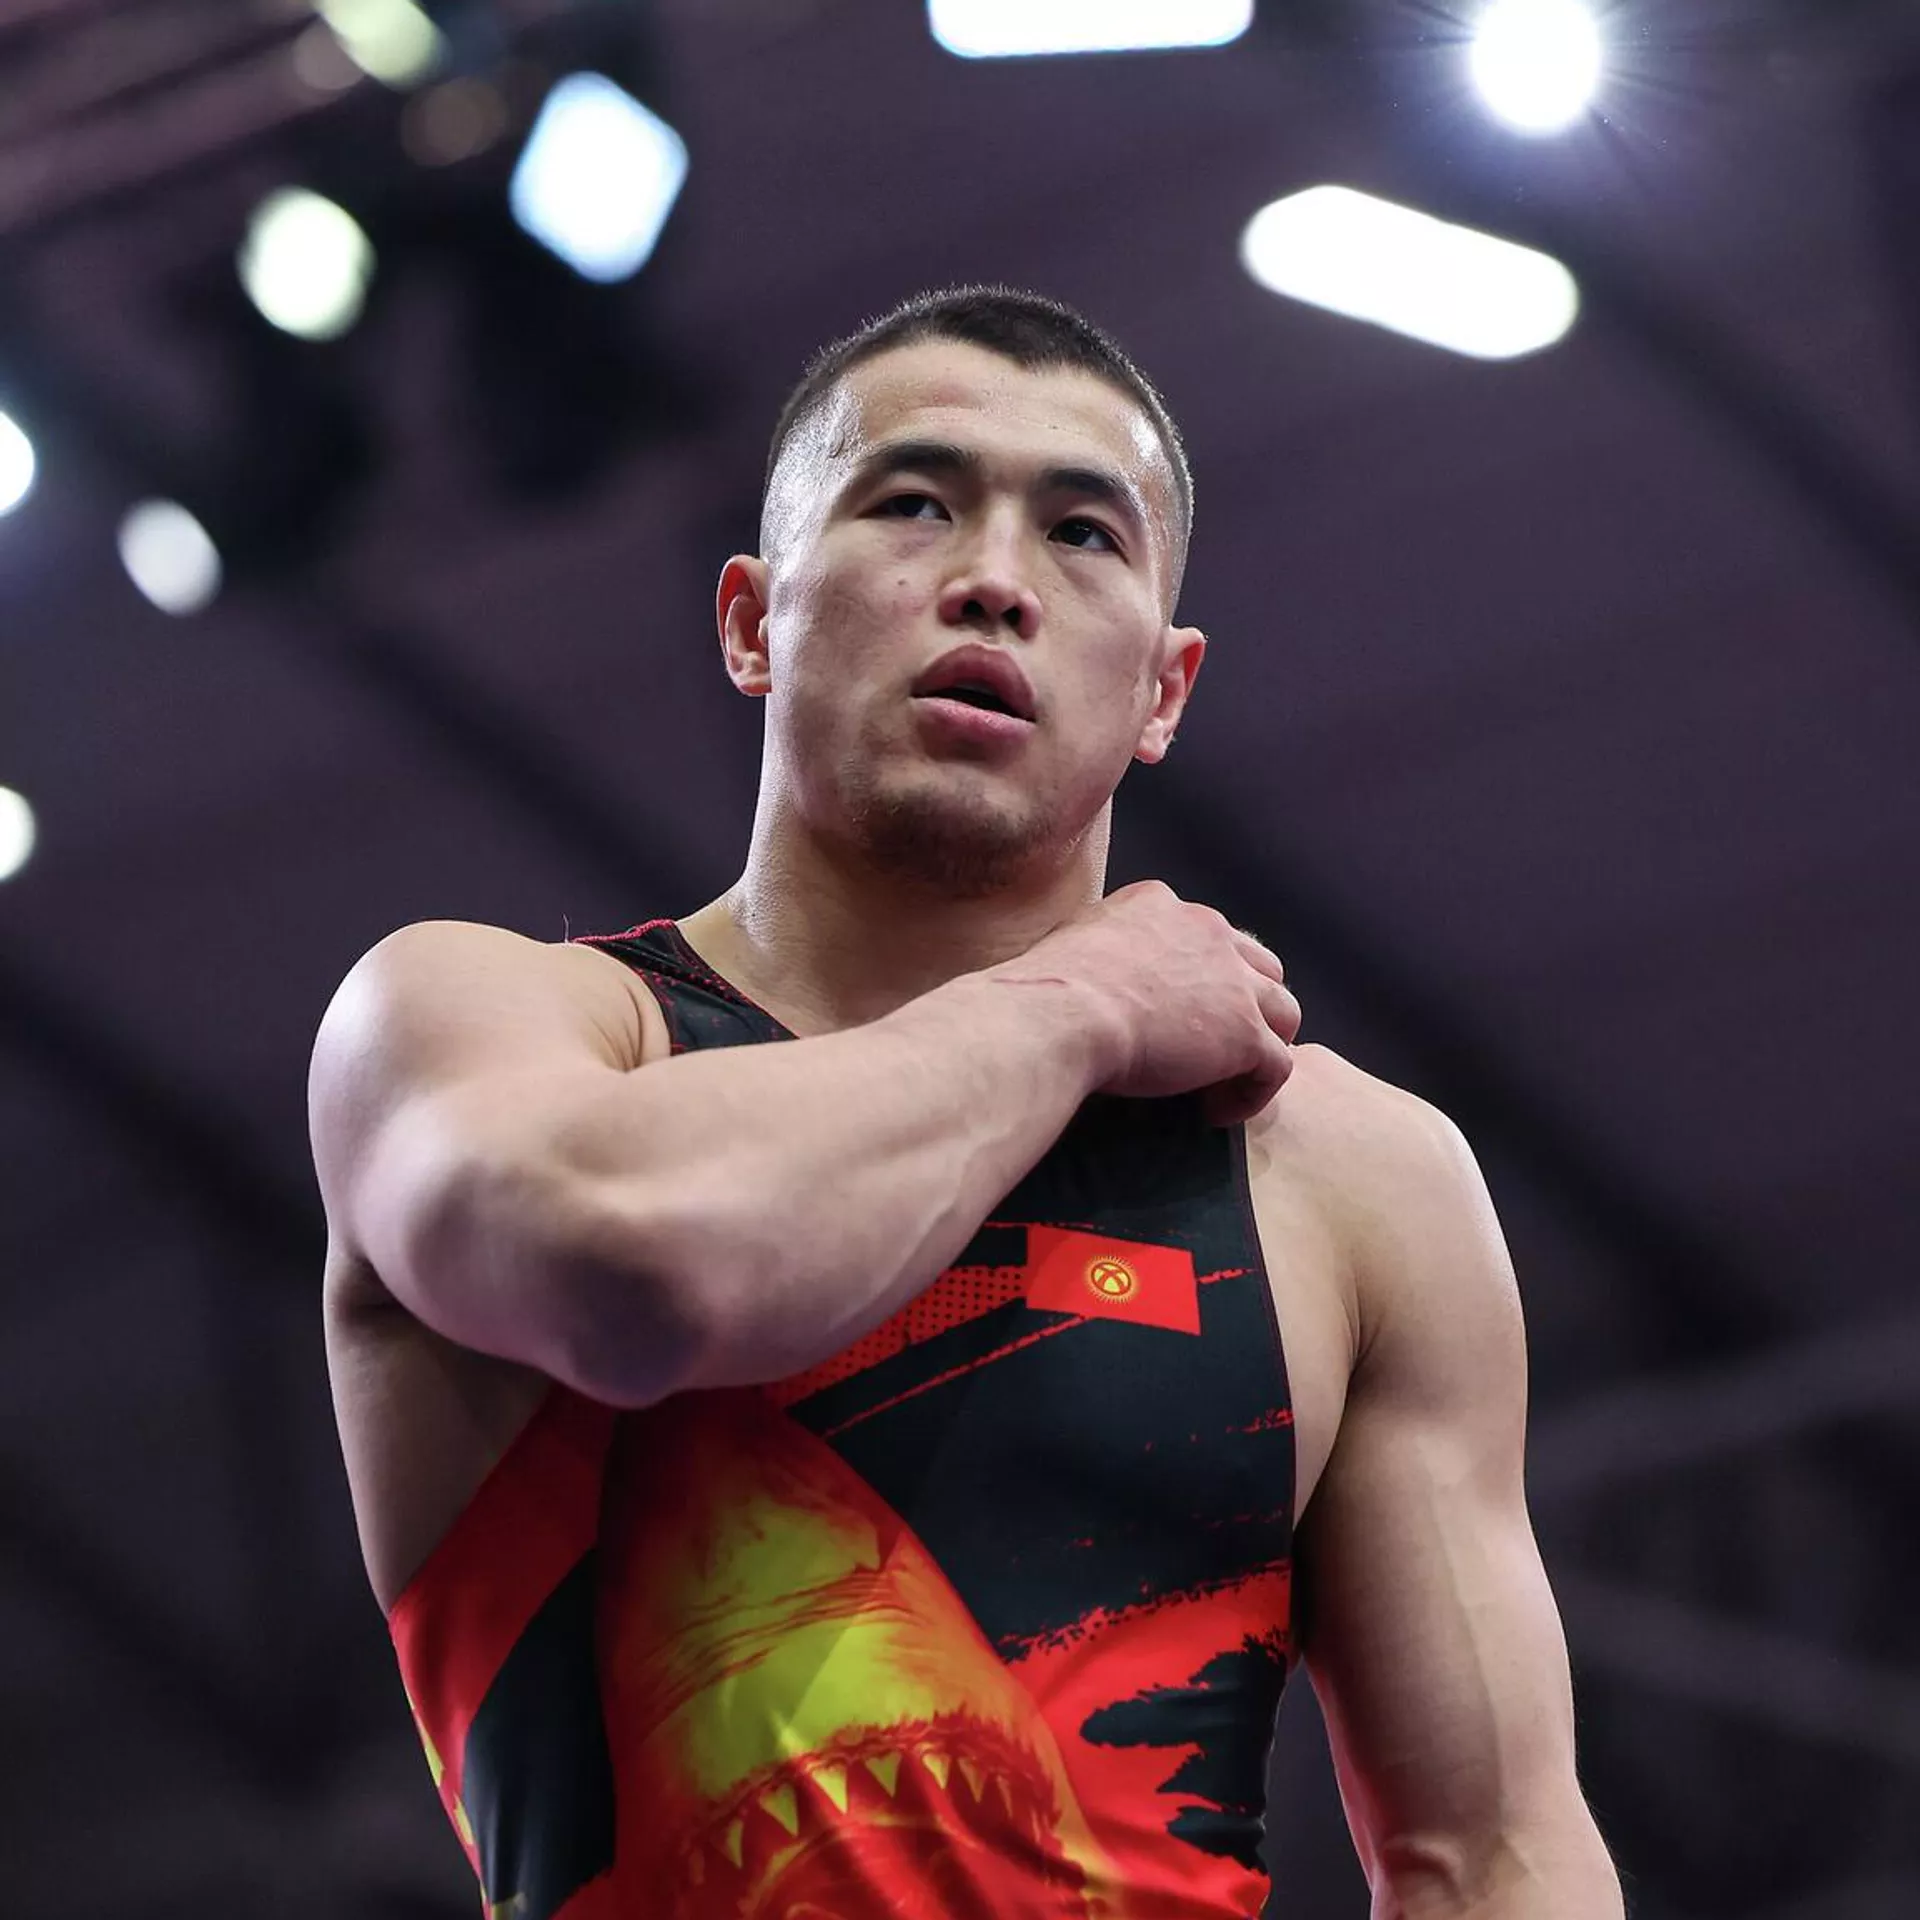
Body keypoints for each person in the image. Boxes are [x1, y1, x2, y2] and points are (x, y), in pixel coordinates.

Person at [309, 286, 1623, 1920]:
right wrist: (1078, 1007)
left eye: (1082, 535)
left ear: (1164, 694)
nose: (995, 579)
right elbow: (636, 1271)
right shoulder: (487, 1021)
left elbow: (1494, 1856)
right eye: (915, 504)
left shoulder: (1344, 1175)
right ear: (753, 621)